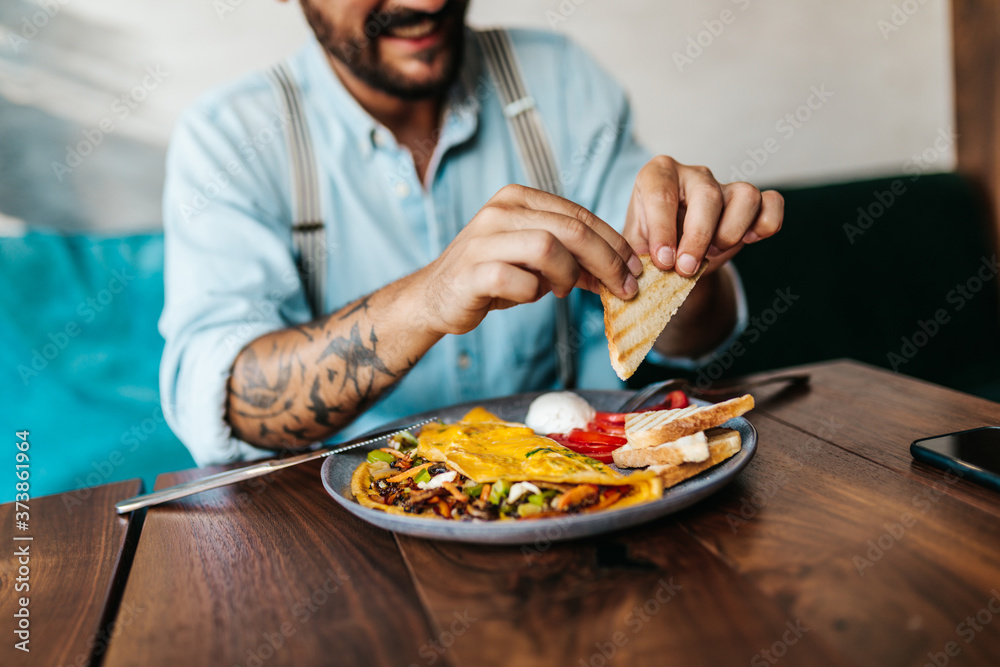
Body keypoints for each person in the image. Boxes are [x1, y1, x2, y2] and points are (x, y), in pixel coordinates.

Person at [159, 0, 783, 465]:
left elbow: (687, 335)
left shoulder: (562, 81)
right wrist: (425, 302)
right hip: (355, 541)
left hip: (577, 500)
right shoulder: (229, 138)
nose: (429, 4)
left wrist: (685, 269)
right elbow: (230, 400)